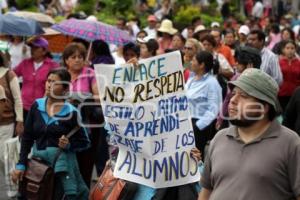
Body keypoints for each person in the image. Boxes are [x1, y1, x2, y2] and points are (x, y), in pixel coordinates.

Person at [198, 68, 300, 200]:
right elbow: (206, 191)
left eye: (244, 96)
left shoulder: (291, 144)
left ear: (264, 107)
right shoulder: (219, 138)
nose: (233, 100)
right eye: (234, 94)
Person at [12, 68, 90, 200]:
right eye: (49, 81)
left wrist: (69, 145)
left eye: (55, 82)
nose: (49, 84)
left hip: (61, 169)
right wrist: (21, 164)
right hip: (38, 167)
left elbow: (84, 142)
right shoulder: (37, 106)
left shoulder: (72, 113)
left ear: (65, 89)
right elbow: (27, 138)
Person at [62, 42, 100, 187]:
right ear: (66, 60)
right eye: (73, 57)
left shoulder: (90, 73)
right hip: (64, 125)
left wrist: (82, 97)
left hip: (87, 126)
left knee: (85, 163)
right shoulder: (61, 74)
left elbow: (99, 97)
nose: (78, 59)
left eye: (80, 57)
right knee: (66, 164)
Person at [186, 51, 222, 159]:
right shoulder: (192, 78)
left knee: (194, 157)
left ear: (201, 65)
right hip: (187, 121)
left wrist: (198, 126)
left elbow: (214, 109)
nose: (191, 62)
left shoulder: (212, 83)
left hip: (199, 125)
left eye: (193, 60)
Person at [14, 36, 59, 120]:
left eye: (36, 47)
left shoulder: (52, 65)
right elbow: (12, 75)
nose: (32, 49)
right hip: (24, 106)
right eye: (32, 47)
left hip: (43, 106)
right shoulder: (25, 63)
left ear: (44, 51)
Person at [0, 51, 23, 199]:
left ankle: (13, 191)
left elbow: (17, 99)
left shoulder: (9, 74)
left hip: (6, 123)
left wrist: (20, 121)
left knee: (5, 157)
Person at [278, 40, 300, 111]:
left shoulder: (298, 63)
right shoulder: (279, 62)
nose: (290, 50)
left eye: (292, 48)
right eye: (287, 48)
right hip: (281, 94)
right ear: (283, 50)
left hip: (296, 94)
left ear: (295, 49)